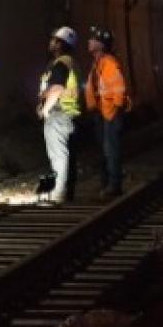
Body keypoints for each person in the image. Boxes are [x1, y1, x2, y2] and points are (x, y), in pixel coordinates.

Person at [85, 26, 130, 199]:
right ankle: (106, 184)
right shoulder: (98, 63)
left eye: (93, 39)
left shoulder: (109, 64)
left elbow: (119, 89)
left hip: (110, 113)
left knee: (111, 150)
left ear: (101, 45)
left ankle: (114, 186)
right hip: (101, 113)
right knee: (105, 151)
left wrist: (116, 112)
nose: (89, 41)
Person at [38, 26, 81, 204]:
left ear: (60, 44)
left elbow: (57, 88)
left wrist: (46, 108)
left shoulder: (61, 63)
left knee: (59, 155)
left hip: (59, 114)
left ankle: (58, 195)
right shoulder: (70, 62)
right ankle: (66, 193)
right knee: (67, 156)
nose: (50, 43)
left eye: (53, 40)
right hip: (69, 114)